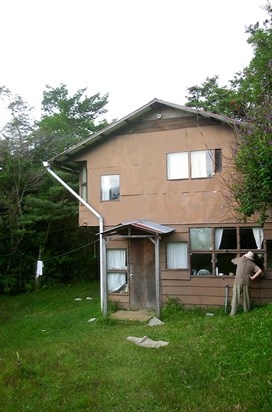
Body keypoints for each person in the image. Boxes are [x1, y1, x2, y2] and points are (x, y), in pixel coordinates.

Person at [230, 251, 262, 316]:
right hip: (246, 282)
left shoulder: (240, 260)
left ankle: (233, 313)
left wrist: (241, 257)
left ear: (245, 256)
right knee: (246, 299)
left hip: (238, 282)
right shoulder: (251, 264)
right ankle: (246, 312)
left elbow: (232, 260)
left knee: (235, 298)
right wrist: (252, 277)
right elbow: (260, 270)